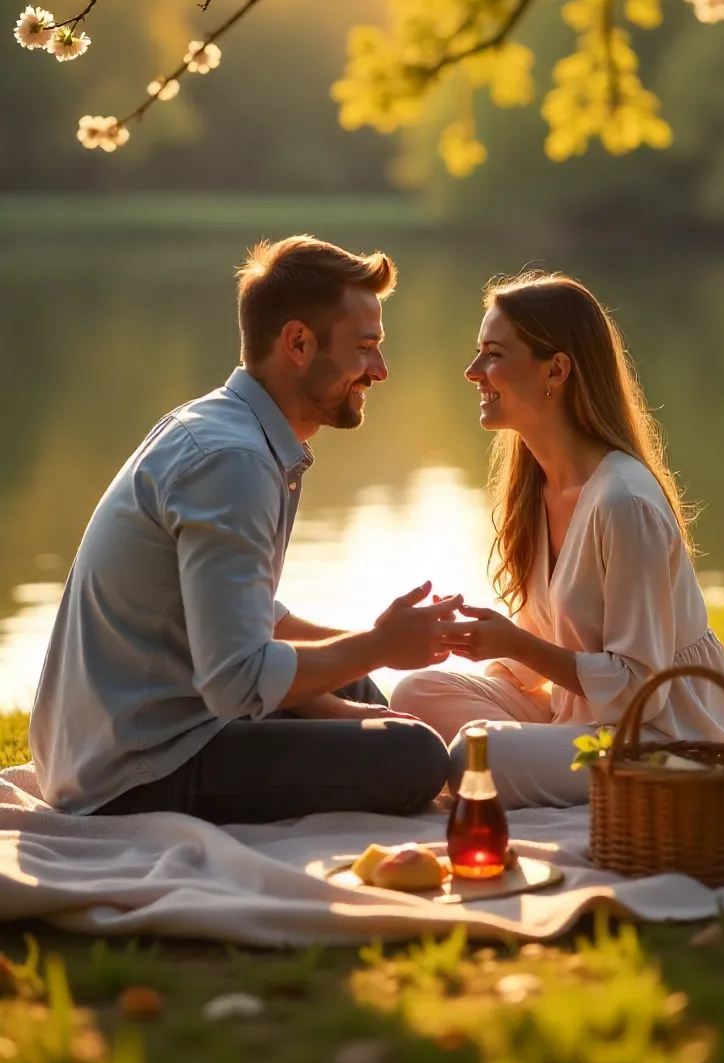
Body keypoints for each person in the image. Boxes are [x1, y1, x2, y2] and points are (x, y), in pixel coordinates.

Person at [30, 235, 456, 822]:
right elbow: (237, 680)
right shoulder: (232, 462)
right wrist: (381, 646)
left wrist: (373, 646)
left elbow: (253, 618)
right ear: (299, 343)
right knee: (413, 758)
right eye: (365, 348)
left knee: (361, 695)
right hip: (134, 770)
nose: (380, 370)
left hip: (155, 726)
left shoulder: (233, 429)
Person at [391, 270, 724, 808]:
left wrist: (515, 643)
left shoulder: (624, 503)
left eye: (494, 354)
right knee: (416, 693)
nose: (473, 372)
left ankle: (516, 767)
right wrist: (476, 642)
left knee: (473, 757)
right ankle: (531, 762)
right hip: (579, 717)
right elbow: (546, 637)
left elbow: (638, 690)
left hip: (663, 739)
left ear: (555, 369)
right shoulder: (538, 486)